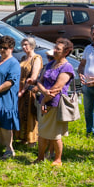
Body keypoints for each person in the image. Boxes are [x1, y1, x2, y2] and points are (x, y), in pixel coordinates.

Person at [35, 38, 76, 166]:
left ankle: (58, 159)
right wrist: (43, 92)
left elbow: (57, 88)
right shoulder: (50, 64)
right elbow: (39, 81)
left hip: (55, 103)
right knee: (42, 132)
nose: (55, 51)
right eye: (55, 48)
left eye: (58, 49)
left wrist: (44, 101)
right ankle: (40, 157)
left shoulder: (67, 67)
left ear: (66, 52)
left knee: (54, 133)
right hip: (44, 101)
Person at [14, 36, 42, 146]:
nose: (24, 47)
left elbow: (33, 77)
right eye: (23, 45)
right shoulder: (23, 58)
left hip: (29, 91)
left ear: (32, 45)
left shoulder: (36, 58)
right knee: (21, 113)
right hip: (20, 89)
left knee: (30, 115)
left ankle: (32, 139)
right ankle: (23, 137)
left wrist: (24, 90)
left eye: (26, 45)